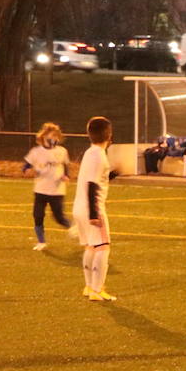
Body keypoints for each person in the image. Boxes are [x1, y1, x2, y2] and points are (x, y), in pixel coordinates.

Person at [72, 116, 117, 302]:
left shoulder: (90, 152)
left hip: (79, 206)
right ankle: (97, 290)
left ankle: (89, 286)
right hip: (93, 208)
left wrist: (114, 174)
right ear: (109, 134)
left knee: (91, 247)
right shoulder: (99, 155)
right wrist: (93, 214)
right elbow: (92, 184)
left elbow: (96, 179)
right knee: (103, 247)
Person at [22, 122, 71, 250]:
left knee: (59, 217)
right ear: (43, 137)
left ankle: (75, 229)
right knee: (38, 215)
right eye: (50, 136)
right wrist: (27, 171)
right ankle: (41, 242)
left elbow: (66, 166)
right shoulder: (36, 152)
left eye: (55, 137)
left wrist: (66, 176)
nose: (53, 139)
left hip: (57, 190)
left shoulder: (62, 151)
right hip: (41, 189)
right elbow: (26, 167)